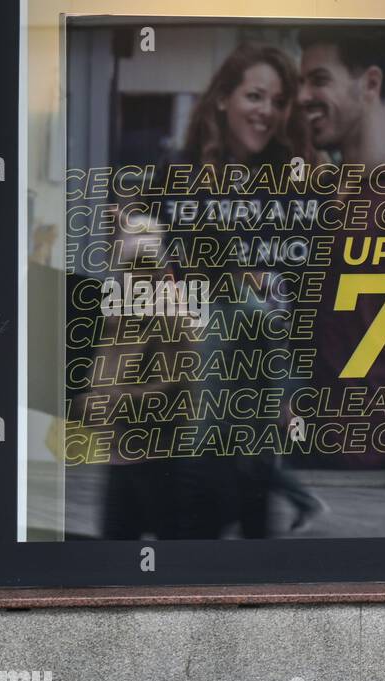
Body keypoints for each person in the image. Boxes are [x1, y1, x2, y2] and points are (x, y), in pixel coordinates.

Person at [158, 43, 325, 537]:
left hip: (262, 379)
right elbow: (158, 277)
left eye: (277, 102)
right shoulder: (179, 177)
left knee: (255, 517)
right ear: (223, 99)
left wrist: (288, 390)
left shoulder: (291, 182)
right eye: (255, 96)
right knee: (194, 520)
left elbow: (299, 290)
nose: (267, 112)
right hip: (196, 378)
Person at [296, 26, 385, 471]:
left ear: (370, 83)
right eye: (301, 83)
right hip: (310, 457)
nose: (303, 96)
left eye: (319, 80)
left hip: (373, 466)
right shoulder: (323, 194)